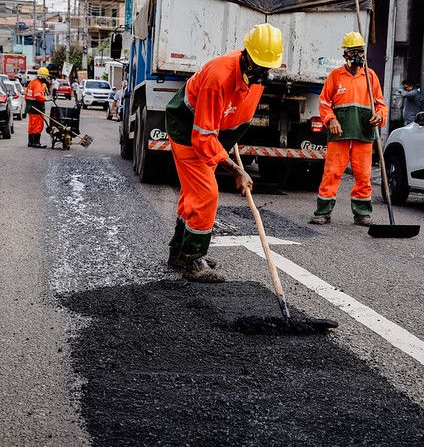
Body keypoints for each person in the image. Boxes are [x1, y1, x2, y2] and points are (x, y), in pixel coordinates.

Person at [165, 23, 284, 282]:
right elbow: (202, 137)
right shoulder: (218, 76)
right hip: (187, 130)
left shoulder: (257, 79)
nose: (263, 73)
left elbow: (236, 115)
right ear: (246, 55)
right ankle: (193, 261)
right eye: (259, 65)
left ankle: (179, 251)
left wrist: (228, 144)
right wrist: (236, 169)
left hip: (212, 134)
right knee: (206, 193)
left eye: (268, 67)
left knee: (193, 193)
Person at [310, 31, 387, 227]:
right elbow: (324, 102)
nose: (358, 56)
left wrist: (380, 115)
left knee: (363, 175)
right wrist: (330, 119)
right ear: (345, 54)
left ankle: (362, 214)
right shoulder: (335, 76)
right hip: (339, 134)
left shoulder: (370, 77)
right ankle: (323, 212)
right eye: (353, 51)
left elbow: (381, 104)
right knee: (332, 173)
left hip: (363, 133)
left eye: (360, 51)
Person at [25, 67, 50, 148]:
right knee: (38, 125)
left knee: (31, 125)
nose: (47, 78)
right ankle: (36, 143)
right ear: (42, 76)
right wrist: (46, 98)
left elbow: (26, 96)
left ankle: (30, 142)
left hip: (31, 107)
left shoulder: (32, 82)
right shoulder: (38, 84)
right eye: (46, 76)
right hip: (37, 107)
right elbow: (38, 95)